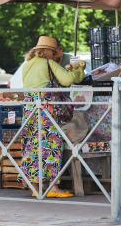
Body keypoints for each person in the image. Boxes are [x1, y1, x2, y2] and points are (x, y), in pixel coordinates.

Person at [18, 36, 85, 198]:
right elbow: (67, 80)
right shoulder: (48, 63)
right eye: (54, 52)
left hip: (29, 110)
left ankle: (35, 187)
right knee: (52, 144)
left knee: (33, 146)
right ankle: (53, 187)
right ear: (49, 51)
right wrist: (79, 70)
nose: (56, 56)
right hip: (45, 111)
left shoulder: (27, 65)